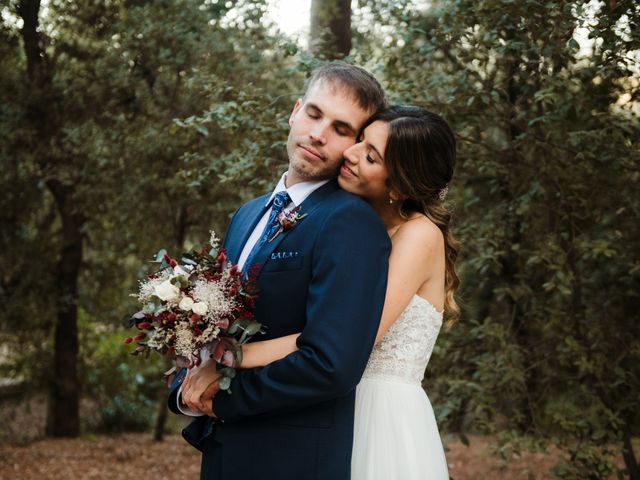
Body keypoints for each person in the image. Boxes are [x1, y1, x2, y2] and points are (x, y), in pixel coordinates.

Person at [184, 105, 459, 479]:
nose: (350, 153)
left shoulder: (420, 236)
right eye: (360, 140)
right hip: (325, 409)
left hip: (380, 415)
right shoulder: (349, 223)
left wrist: (231, 355)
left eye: (370, 155)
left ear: (398, 185)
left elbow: (348, 339)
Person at [168, 63, 391, 480]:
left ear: (355, 145)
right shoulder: (247, 214)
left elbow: (331, 364)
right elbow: (215, 323)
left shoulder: (350, 221)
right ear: (295, 111)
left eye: (341, 128)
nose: (318, 134)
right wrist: (185, 384)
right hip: (222, 455)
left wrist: (221, 398)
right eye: (314, 114)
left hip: (293, 459)